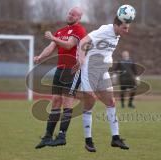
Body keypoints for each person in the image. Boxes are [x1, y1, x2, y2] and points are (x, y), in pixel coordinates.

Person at [72, 16, 132, 152]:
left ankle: (115, 138)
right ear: (116, 25)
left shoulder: (117, 34)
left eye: (128, 28)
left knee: (111, 101)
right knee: (90, 102)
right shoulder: (105, 29)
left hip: (102, 70)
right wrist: (81, 58)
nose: (126, 31)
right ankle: (88, 140)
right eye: (124, 28)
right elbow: (84, 41)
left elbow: (103, 50)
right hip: (90, 68)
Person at [34, 6, 86, 149]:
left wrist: (53, 37)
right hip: (60, 69)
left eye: (73, 14)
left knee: (67, 101)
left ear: (79, 18)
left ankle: (62, 136)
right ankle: (47, 136)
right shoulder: (60, 31)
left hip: (72, 70)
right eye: (69, 13)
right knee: (56, 101)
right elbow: (51, 48)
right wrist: (40, 57)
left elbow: (69, 45)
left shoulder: (79, 30)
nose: (70, 15)